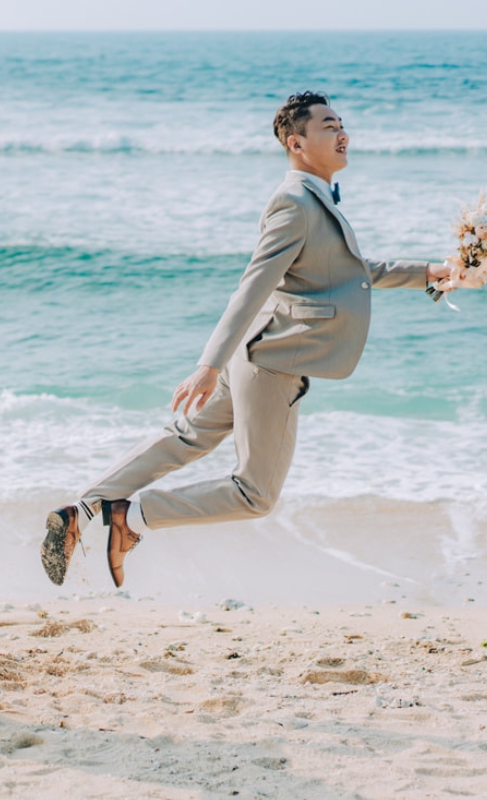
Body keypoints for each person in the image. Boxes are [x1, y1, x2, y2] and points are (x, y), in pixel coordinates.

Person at [40, 91, 452, 589]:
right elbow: (252, 286)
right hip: (274, 360)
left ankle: (79, 509)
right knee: (255, 494)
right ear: (296, 143)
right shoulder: (295, 203)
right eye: (327, 125)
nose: (342, 132)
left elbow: (352, 273)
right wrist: (207, 364)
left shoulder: (313, 198)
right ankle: (133, 517)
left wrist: (432, 272)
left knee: (185, 440)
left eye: (341, 123)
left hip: (258, 352)